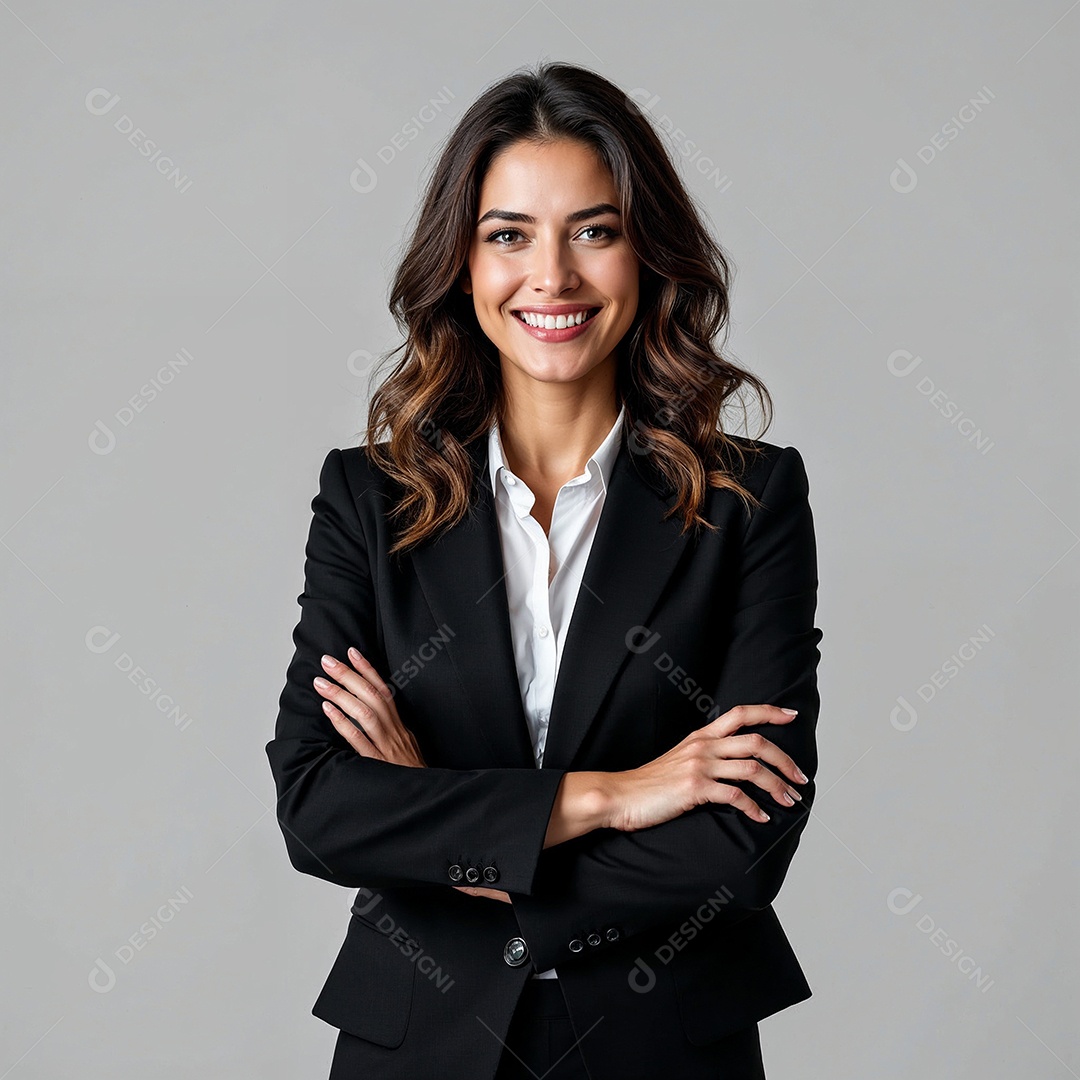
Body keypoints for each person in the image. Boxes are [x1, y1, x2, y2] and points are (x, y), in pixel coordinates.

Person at [265, 60, 823, 1080]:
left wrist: (437, 818)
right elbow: (319, 806)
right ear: (463, 264)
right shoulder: (368, 498)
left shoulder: (751, 501)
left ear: (646, 254)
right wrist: (618, 795)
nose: (552, 277)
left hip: (663, 1048)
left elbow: (737, 853)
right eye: (509, 234)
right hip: (418, 1043)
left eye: (594, 232)